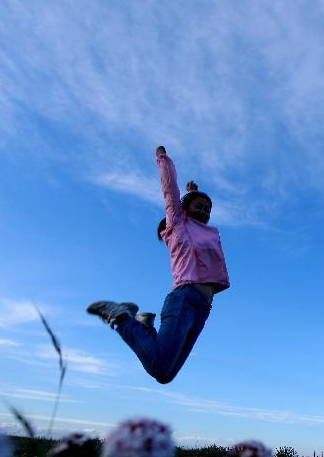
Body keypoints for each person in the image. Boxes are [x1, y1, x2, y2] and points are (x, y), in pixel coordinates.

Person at [87, 146, 230, 384]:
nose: (205, 212)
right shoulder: (178, 225)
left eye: (208, 209)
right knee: (159, 365)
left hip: (203, 308)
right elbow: (170, 191)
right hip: (184, 298)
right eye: (199, 207)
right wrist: (163, 160)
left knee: (165, 375)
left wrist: (195, 193)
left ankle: (144, 327)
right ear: (183, 210)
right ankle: (122, 317)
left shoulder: (206, 233)